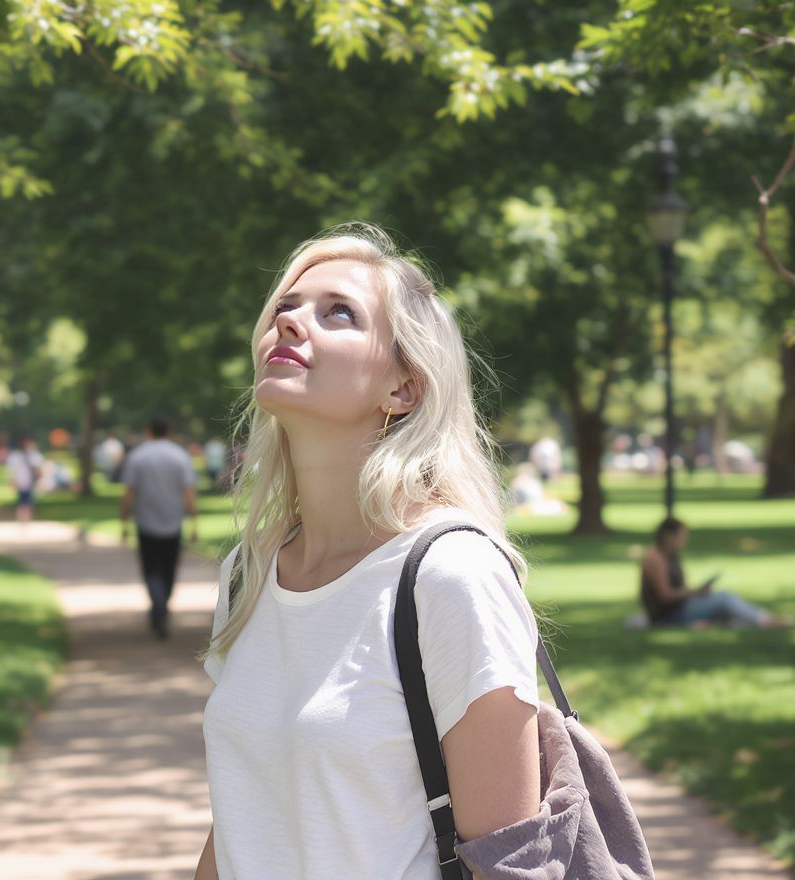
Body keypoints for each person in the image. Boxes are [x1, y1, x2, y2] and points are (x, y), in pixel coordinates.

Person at [194, 224, 542, 880]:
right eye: (285, 307)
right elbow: (244, 816)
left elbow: (513, 863)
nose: (291, 322)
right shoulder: (248, 575)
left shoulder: (452, 576)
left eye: (339, 313)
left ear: (402, 388)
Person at [120, 415, 199, 640]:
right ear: (169, 431)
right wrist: (194, 521)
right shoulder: (180, 456)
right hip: (173, 521)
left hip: (146, 522)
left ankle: (158, 604)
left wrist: (124, 521)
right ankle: (162, 604)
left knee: (151, 568)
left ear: (148, 431)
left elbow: (128, 493)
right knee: (169, 568)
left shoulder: (137, 456)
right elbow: (188, 492)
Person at [640, 517, 788, 628]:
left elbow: (679, 588)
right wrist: (693, 592)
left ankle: (765, 618)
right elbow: (665, 595)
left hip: (680, 607)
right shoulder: (655, 557)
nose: (684, 541)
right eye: (682, 536)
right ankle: (765, 620)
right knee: (724, 598)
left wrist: (696, 592)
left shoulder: (672, 556)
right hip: (668, 615)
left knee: (726, 607)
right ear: (668, 536)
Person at [7, 437, 42, 522]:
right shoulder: (16, 456)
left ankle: (25, 519)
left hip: (29, 482)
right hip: (22, 482)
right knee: (23, 502)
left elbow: (38, 470)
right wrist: (13, 481)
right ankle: (23, 519)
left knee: (27, 502)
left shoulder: (33, 455)